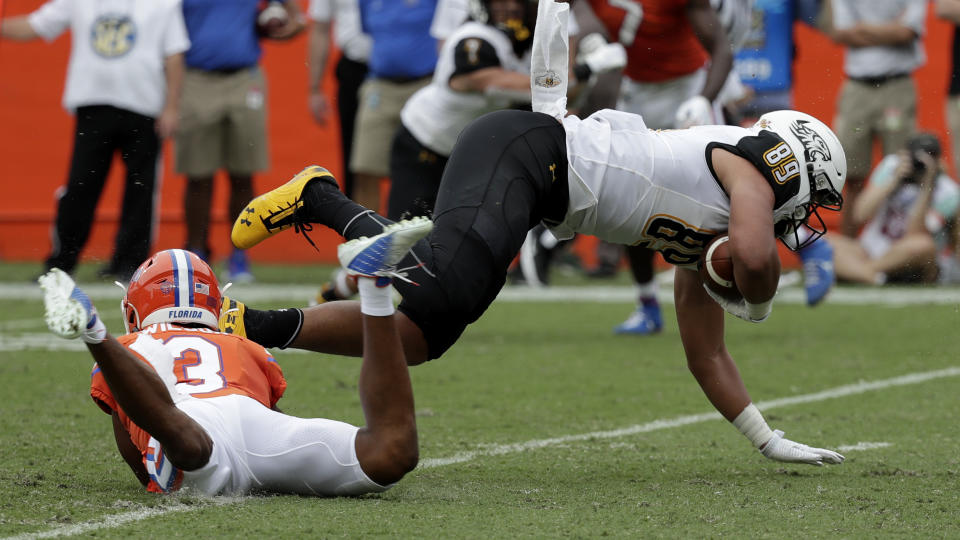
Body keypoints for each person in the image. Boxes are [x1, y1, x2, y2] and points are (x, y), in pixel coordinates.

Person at [226, 1, 846, 469]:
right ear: (799, 164)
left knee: (415, 333)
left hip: (533, 175)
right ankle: (318, 197)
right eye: (814, 199)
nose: (806, 216)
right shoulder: (754, 164)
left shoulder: (715, 227)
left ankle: (244, 325)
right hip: (528, 155)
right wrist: (756, 303)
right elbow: (760, 260)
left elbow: (705, 354)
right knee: (437, 294)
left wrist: (767, 440)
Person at [37, 217, 431, 495]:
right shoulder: (244, 345)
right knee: (390, 452)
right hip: (254, 420)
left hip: (190, 422)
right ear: (216, 307)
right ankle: (376, 288)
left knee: (191, 453)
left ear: (134, 311)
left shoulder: (131, 350)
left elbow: (141, 464)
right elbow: (269, 410)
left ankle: (95, 333)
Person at [1, 0, 189, 282]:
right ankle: (62, 263)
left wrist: (172, 107)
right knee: (80, 186)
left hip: (144, 107)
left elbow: (174, 55)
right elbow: (36, 25)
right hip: (93, 107)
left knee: (141, 190)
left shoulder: (163, 3)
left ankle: (129, 264)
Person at [582, 0, 734, 336]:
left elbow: (722, 48)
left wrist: (705, 99)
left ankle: (808, 242)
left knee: (728, 186)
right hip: (635, 92)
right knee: (630, 194)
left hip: (687, 88)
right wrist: (589, 39)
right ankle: (647, 303)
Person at [175, 0, 304, 283]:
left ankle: (239, 255)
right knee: (198, 175)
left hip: (244, 77)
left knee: (242, 173)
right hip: (196, 77)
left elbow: (294, 17)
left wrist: (292, 19)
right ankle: (197, 255)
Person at [829, 0, 927, 238]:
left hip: (897, 86)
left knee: (904, 170)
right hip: (857, 88)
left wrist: (863, 28)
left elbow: (907, 32)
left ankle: (898, 251)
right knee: (850, 175)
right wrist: (890, 30)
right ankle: (848, 248)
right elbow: (841, 32)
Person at [825, 133, 960, 285]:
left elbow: (914, 234)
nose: (920, 164)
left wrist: (927, 186)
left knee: (922, 245)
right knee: (821, 241)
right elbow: (860, 214)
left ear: (939, 162)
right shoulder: (891, 166)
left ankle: (856, 272)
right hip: (870, 250)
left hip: (908, 258)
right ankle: (876, 278)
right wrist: (893, 181)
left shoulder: (949, 192)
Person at [348, 0, 439, 213]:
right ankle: (365, 240)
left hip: (424, 86)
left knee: (426, 169)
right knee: (364, 168)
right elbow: (368, 30)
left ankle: (424, 241)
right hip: (379, 86)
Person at [307, 0, 371, 200]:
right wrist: (315, 88)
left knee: (414, 153)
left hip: (411, 71)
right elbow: (320, 28)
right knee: (355, 155)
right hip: (355, 68)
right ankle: (361, 227)